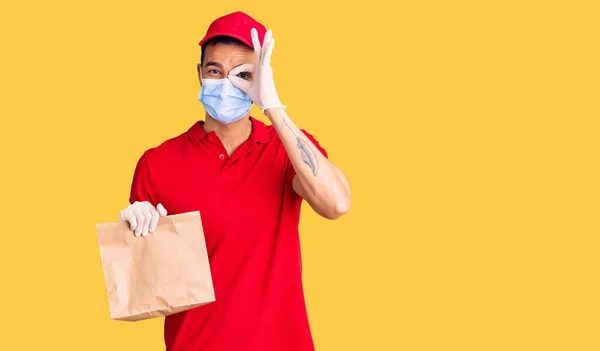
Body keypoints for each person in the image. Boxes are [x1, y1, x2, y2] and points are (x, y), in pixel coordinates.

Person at [117, 11, 351, 351]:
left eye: (243, 74)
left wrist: (272, 106)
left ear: (260, 79)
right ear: (199, 74)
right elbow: (143, 288)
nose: (227, 83)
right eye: (215, 70)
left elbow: (337, 203)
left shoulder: (286, 151)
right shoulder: (157, 164)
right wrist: (134, 235)